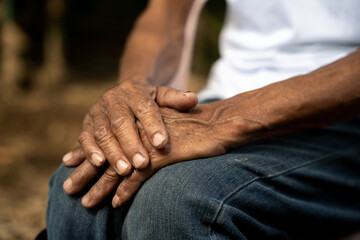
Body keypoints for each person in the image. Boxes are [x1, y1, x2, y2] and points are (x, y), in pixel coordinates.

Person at [46, 0, 360, 239]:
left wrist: (223, 121)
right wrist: (136, 99)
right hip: (225, 97)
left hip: (344, 114)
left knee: (173, 202)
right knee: (74, 187)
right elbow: (165, 16)